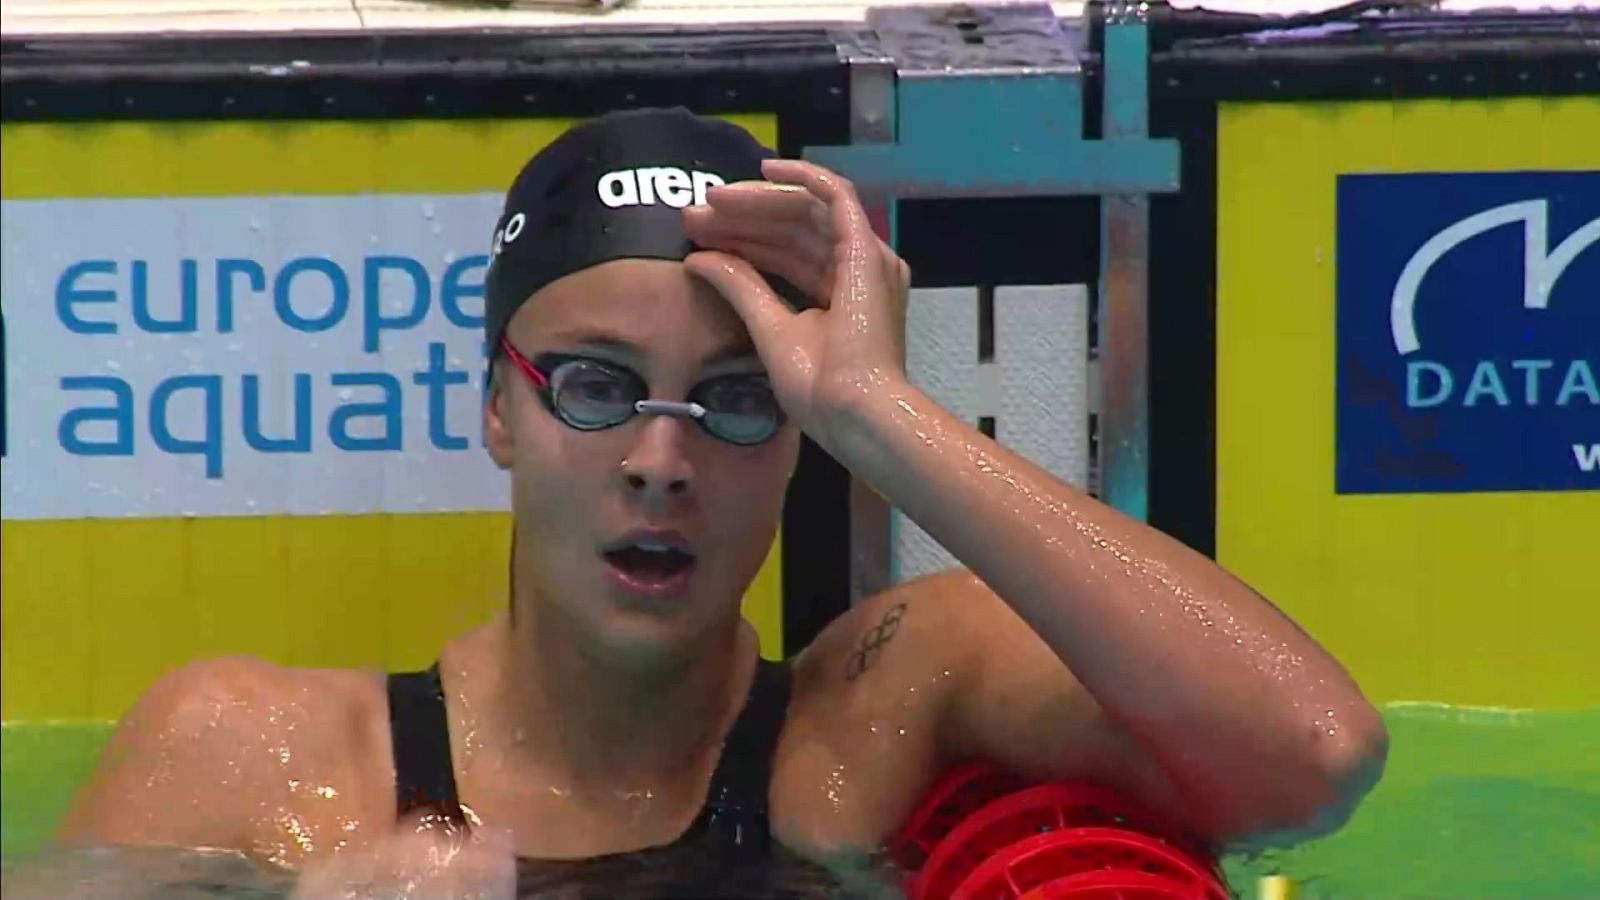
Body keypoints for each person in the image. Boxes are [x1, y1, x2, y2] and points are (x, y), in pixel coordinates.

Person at [54, 108, 1387, 896]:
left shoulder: (876, 713)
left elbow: (1312, 757)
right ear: (495, 409)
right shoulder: (258, 757)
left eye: (738, 400)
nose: (659, 458)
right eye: (594, 385)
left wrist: (884, 411)